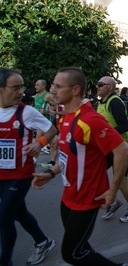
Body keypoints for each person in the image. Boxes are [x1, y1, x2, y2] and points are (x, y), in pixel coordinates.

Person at [31, 67, 128, 266]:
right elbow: (69, 157)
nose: (53, 91)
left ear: (75, 89)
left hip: (87, 197)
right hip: (68, 195)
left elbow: (123, 150)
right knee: (80, 246)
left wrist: (112, 189)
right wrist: (51, 173)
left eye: (58, 87)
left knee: (71, 254)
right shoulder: (65, 117)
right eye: (53, 86)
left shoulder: (89, 119)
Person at [0, 68, 57, 266]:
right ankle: (43, 242)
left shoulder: (27, 112)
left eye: (21, 87)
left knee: (4, 218)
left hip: (20, 174)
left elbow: (52, 129)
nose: (21, 92)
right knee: (19, 213)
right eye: (15, 88)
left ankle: (4, 261)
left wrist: (39, 142)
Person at [96, 76, 128, 223]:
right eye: (98, 84)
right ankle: (114, 203)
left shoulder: (115, 102)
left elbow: (124, 125)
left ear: (110, 87)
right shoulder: (101, 102)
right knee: (95, 173)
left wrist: (104, 134)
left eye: (101, 84)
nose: (98, 86)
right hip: (106, 148)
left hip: (119, 149)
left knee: (121, 181)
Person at [40, 84, 65, 169]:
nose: (50, 89)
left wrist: (55, 113)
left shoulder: (63, 98)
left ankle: (62, 163)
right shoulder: (56, 98)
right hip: (58, 123)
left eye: (52, 87)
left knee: (61, 145)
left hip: (64, 124)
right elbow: (55, 109)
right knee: (54, 143)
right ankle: (52, 162)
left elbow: (67, 112)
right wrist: (48, 111)